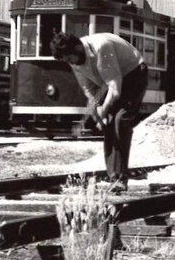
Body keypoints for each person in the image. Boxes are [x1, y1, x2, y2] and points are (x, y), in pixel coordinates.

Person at [50, 32, 148, 192]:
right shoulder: (74, 61)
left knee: (120, 120)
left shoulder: (102, 47)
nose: (70, 63)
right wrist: (96, 110)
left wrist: (104, 109)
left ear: (77, 48)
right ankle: (115, 177)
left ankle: (118, 180)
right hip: (110, 82)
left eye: (69, 59)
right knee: (108, 124)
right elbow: (90, 89)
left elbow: (115, 89)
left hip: (134, 74)